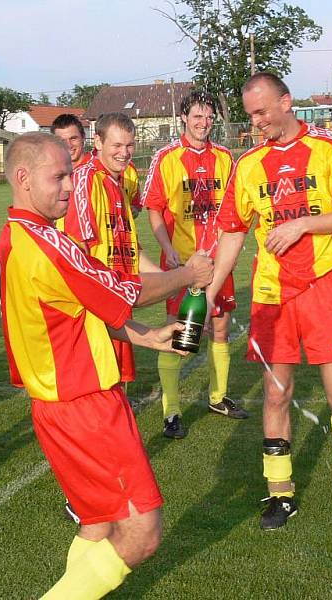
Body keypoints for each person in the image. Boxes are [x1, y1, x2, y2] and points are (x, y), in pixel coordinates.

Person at [0, 132, 213, 598]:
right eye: (57, 177)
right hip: (86, 406)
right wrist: (189, 275)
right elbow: (124, 291)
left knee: (98, 525)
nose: (69, 187)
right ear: (22, 178)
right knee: (142, 531)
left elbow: (80, 308)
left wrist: (145, 336)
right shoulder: (47, 245)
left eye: (71, 176)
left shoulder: (16, 235)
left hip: (57, 406)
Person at [207, 73, 332, 530]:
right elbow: (231, 231)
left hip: (326, 286)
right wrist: (208, 292)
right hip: (271, 294)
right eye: (250, 115)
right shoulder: (248, 165)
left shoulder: (329, 147)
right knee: (275, 394)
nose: (257, 122)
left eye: (262, 111)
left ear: (287, 102)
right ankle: (280, 493)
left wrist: (303, 225)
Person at [143, 91, 249, 440]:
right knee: (178, 334)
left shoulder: (224, 158)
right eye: (196, 117)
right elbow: (154, 207)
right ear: (184, 119)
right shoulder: (166, 158)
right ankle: (171, 411)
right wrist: (166, 248)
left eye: (208, 117)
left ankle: (217, 397)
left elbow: (234, 207)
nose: (203, 123)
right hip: (183, 264)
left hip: (219, 261)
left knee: (220, 328)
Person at [58, 112, 161, 389]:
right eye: (116, 145)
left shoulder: (117, 183)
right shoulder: (86, 180)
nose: (124, 153)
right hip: (96, 310)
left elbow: (130, 253)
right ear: (99, 142)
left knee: (116, 389)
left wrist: (175, 280)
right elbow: (77, 254)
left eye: (129, 145)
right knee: (97, 395)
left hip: (118, 304)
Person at [51, 113, 142, 218]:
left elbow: (136, 205)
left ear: (84, 138)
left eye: (73, 138)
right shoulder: (48, 175)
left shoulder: (123, 168)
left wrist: (129, 210)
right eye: (62, 141)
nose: (69, 145)